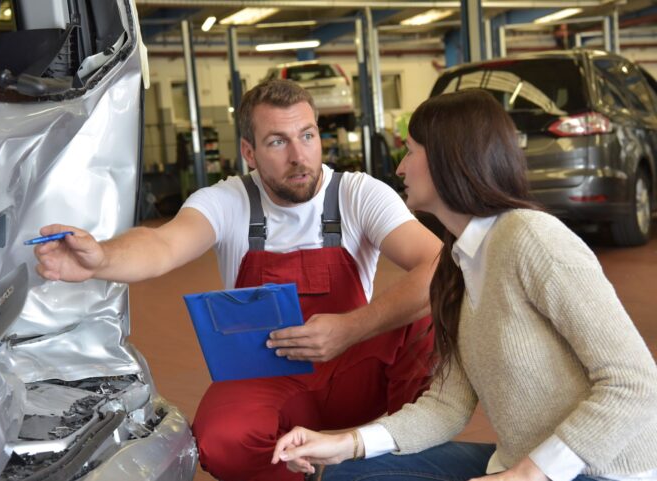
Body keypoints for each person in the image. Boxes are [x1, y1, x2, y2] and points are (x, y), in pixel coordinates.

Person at [33, 79, 442, 481]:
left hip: (357, 371)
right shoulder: (228, 201)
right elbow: (162, 245)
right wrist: (101, 258)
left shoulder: (357, 194)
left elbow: (438, 264)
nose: (299, 156)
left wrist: (351, 327)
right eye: (277, 142)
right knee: (222, 439)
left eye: (307, 135)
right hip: (273, 377)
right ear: (249, 152)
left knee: (430, 316)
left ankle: (392, 460)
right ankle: (294, 475)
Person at [272, 89, 657, 481]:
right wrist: (344, 444)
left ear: (447, 158)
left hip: (602, 471)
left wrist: (528, 473)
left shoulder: (533, 239)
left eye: (411, 151)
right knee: (342, 475)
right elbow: (447, 406)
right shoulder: (457, 264)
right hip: (517, 463)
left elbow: (634, 382)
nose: (401, 168)